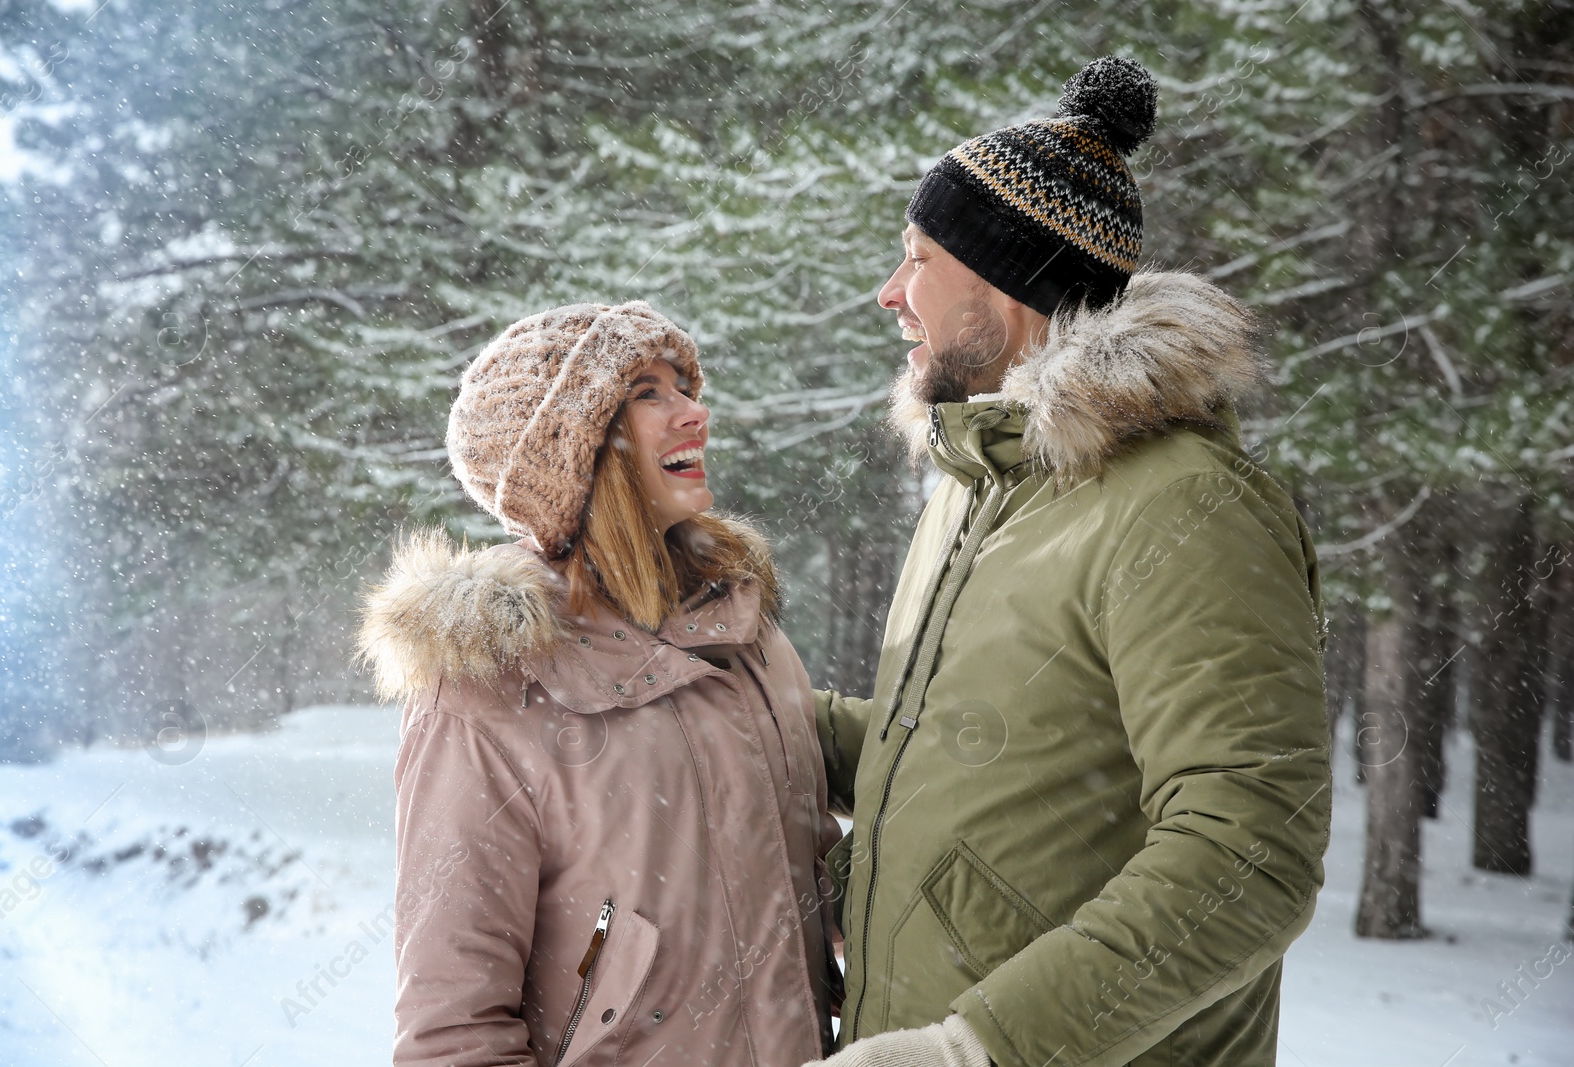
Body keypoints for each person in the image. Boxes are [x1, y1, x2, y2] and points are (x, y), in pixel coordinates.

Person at [804, 57, 1332, 1067]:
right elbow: (977, 745)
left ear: (1002, 280)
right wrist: (759, 705)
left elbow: (1247, 854)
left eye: (916, 258)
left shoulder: (1184, 504)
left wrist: (976, 1047)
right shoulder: (981, 481)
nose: (889, 294)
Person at [362, 301, 842, 1067]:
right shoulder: (488, 689)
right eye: (649, 393)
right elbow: (453, 1033)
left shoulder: (747, 634)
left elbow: (815, 889)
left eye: (684, 385)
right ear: (573, 453)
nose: (695, 412)